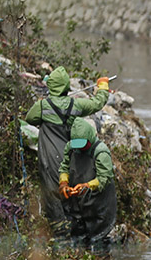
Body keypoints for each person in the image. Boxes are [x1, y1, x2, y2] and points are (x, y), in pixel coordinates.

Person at [25, 67, 110, 237]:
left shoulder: (43, 106)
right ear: (65, 87)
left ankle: (59, 233)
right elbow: (97, 104)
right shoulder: (76, 105)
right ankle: (76, 229)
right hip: (69, 158)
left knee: (52, 193)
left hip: (48, 159)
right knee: (71, 191)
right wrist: (102, 87)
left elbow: (29, 119)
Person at [57, 118, 117, 252]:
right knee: (78, 235)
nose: (80, 148)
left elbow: (104, 178)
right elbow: (64, 167)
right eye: (77, 145)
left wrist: (87, 186)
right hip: (78, 200)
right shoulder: (71, 147)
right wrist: (63, 183)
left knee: (99, 240)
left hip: (99, 202)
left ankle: (101, 259)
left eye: (83, 145)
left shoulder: (101, 152)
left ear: (90, 138)